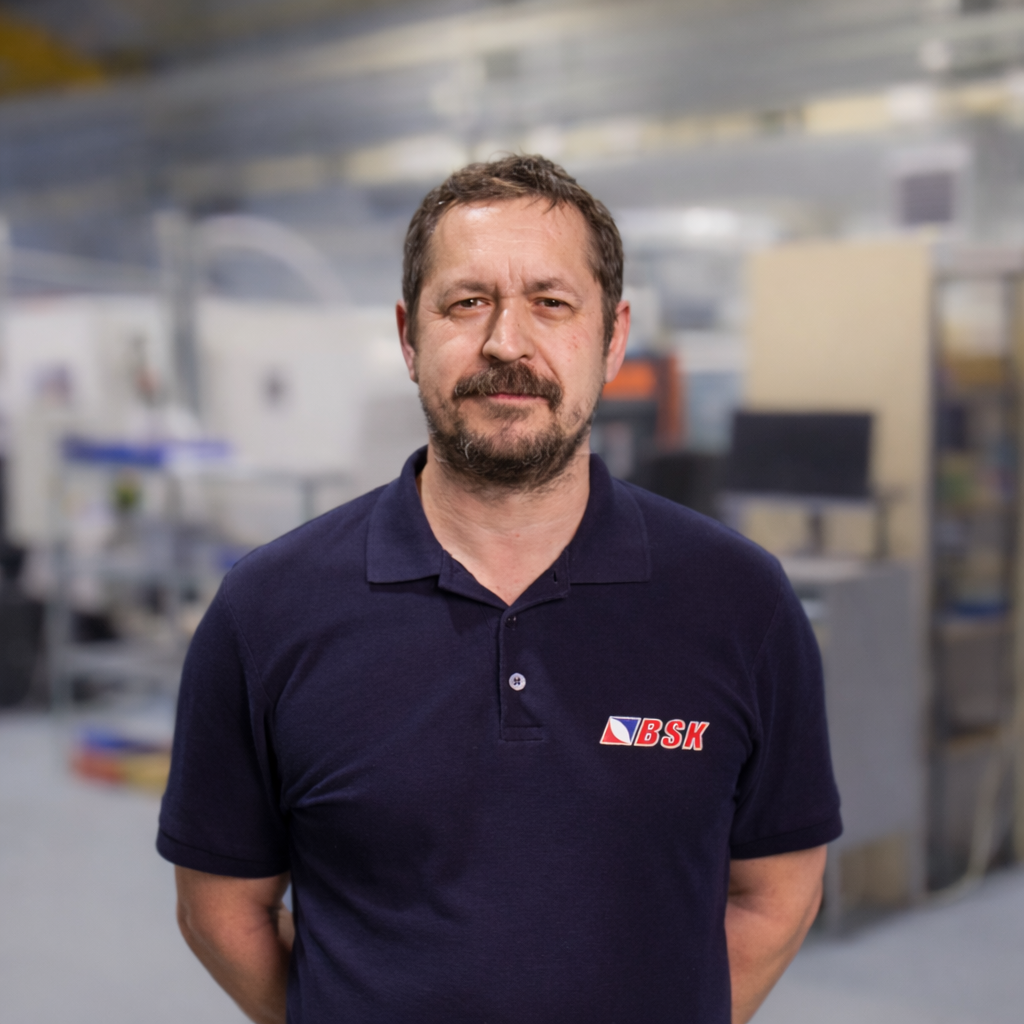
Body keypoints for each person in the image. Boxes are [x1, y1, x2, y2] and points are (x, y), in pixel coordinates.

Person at [158, 154, 841, 1024]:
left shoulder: (741, 603)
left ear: (613, 337)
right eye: (467, 302)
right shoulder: (266, 612)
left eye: (551, 304)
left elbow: (778, 893)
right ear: (409, 336)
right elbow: (223, 910)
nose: (506, 343)